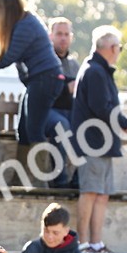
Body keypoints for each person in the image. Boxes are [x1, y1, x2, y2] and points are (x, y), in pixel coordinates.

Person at [0, 0, 65, 186]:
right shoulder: (25, 23)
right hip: (38, 80)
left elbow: (9, 57)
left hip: (45, 79)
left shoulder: (26, 26)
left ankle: (39, 182)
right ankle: (21, 179)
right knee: (24, 129)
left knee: (35, 130)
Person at [72, 25, 127, 253]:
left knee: (101, 194)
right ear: (111, 48)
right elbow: (102, 107)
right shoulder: (95, 71)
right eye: (118, 47)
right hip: (93, 143)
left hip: (103, 143)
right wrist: (125, 122)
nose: (119, 51)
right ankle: (82, 244)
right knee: (90, 193)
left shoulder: (98, 69)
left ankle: (96, 243)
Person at [45, 17, 81, 188]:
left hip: (70, 111)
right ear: (50, 36)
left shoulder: (75, 65)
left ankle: (78, 180)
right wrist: (66, 88)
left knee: (89, 126)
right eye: (59, 34)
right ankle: (59, 181)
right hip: (47, 111)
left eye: (66, 34)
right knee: (62, 125)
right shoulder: (45, 60)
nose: (63, 38)